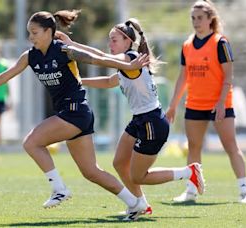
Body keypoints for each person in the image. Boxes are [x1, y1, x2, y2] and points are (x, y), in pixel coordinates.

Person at [0, 10, 151, 221]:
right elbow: (5, 76)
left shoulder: (63, 50)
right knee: (91, 172)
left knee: (31, 142)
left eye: (35, 32)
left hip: (75, 111)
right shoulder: (30, 56)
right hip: (73, 113)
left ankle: (59, 189)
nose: (31, 37)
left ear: (49, 32)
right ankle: (135, 202)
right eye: (29, 33)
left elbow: (96, 59)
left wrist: (127, 65)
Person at [55, 17, 205, 220]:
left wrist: (74, 48)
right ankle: (139, 204)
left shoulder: (130, 58)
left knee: (138, 176)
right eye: (110, 39)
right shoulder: (126, 64)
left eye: (114, 39)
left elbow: (100, 57)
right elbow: (109, 81)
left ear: (128, 41)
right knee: (119, 163)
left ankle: (189, 173)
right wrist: (80, 80)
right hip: (140, 120)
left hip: (152, 122)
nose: (111, 43)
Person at [166, 0, 246, 204]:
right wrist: (172, 105)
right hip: (195, 104)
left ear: (210, 19)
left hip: (219, 104)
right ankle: (191, 190)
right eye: (193, 18)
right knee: (194, 147)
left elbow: (228, 77)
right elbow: (183, 77)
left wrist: (222, 103)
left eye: (200, 18)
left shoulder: (220, 42)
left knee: (230, 145)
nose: (196, 22)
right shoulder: (187, 44)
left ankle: (244, 191)